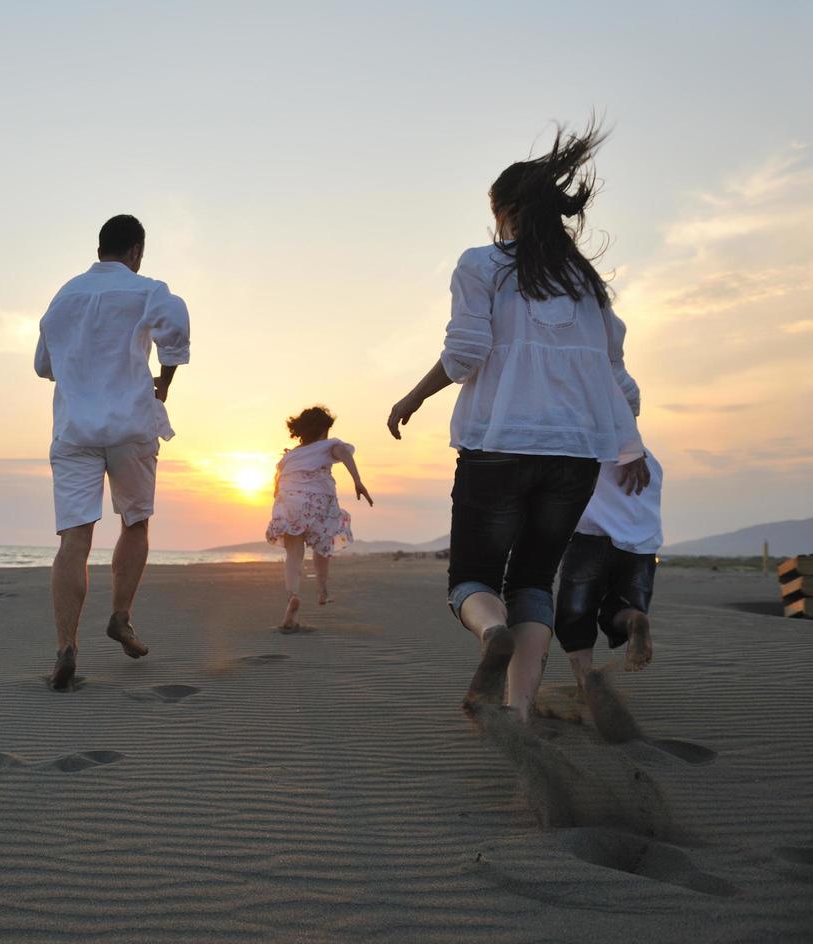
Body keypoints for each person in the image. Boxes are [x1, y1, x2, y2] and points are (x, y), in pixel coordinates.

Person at [385, 120, 650, 722]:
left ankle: (489, 634)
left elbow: (465, 354)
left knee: (473, 579)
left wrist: (414, 396)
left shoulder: (481, 266)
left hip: (498, 446)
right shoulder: (588, 286)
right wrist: (623, 444)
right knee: (534, 577)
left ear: (504, 210)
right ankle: (520, 713)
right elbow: (620, 383)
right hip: (574, 457)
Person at [34, 214, 191, 690]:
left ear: (99, 247)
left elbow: (45, 366)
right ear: (136, 251)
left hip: (75, 430)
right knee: (135, 521)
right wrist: (165, 380)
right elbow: (175, 326)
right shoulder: (147, 289)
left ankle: (66, 645)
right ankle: (120, 616)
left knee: (74, 540)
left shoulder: (63, 297)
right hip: (129, 425)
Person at [556, 447, 663, 693]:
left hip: (589, 539)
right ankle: (635, 618)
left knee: (576, 616)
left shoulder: (589, 450)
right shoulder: (652, 464)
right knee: (621, 607)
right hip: (641, 547)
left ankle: (586, 685)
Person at [265, 405, 373, 630]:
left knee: (293, 555)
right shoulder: (329, 445)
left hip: (290, 501)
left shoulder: (290, 455)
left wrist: (282, 502)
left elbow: (277, 483)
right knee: (323, 547)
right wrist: (357, 480)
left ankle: (292, 596)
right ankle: (322, 591)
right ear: (324, 429)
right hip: (319, 501)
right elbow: (342, 452)